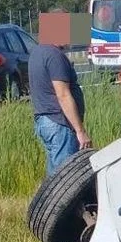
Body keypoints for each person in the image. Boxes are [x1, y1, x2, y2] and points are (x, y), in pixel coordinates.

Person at [29, 30, 91, 175]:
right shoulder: (54, 55)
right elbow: (63, 95)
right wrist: (80, 131)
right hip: (59, 123)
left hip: (45, 121)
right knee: (65, 178)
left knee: (55, 177)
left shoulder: (37, 52)